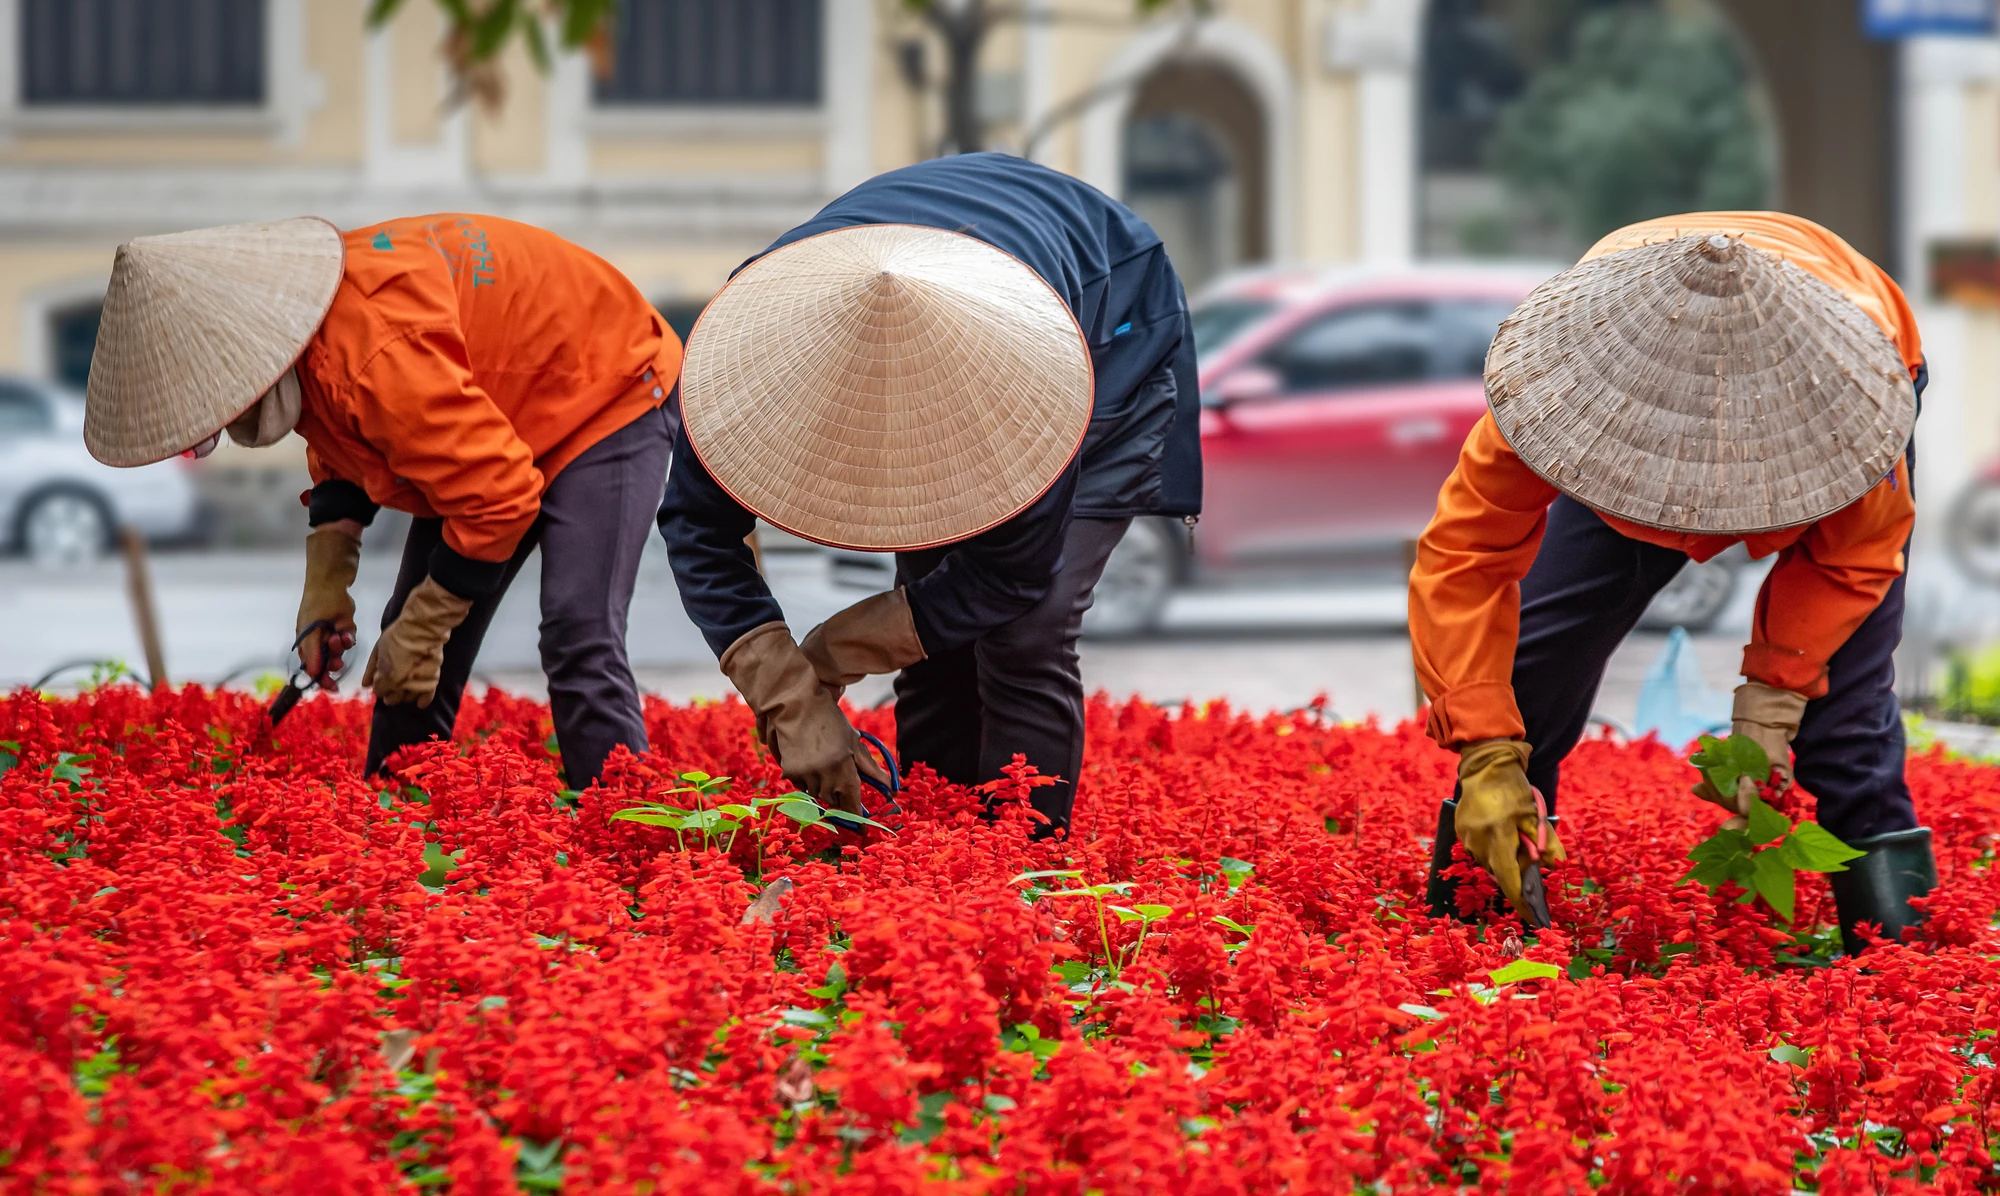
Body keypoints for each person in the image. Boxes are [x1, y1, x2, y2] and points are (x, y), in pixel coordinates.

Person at [1411, 212, 1929, 954]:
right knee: (1532, 668)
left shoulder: (1851, 406)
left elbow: (1852, 558)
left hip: (1823, 366)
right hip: (1629, 398)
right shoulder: (1561, 390)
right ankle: (1487, 917)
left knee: (1843, 716)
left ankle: (1904, 958)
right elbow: (1465, 558)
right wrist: (1487, 749)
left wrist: (1775, 695)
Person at [657, 152, 1201, 831]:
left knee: (1024, 636)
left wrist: (831, 653)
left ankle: (1021, 871)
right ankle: (931, 845)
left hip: (1109, 321)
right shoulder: (744, 354)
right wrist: (788, 698)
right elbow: (697, 528)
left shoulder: (1022, 377)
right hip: (957, 255)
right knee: (940, 637)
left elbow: (1011, 578)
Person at [83, 214, 681, 787]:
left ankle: (625, 835)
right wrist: (327, 586)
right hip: (502, 416)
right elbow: (343, 441)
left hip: (610, 387)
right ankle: (403, 814)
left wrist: (426, 628)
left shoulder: (372, 354)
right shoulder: (314, 341)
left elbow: (497, 498)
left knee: (577, 630)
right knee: (409, 632)